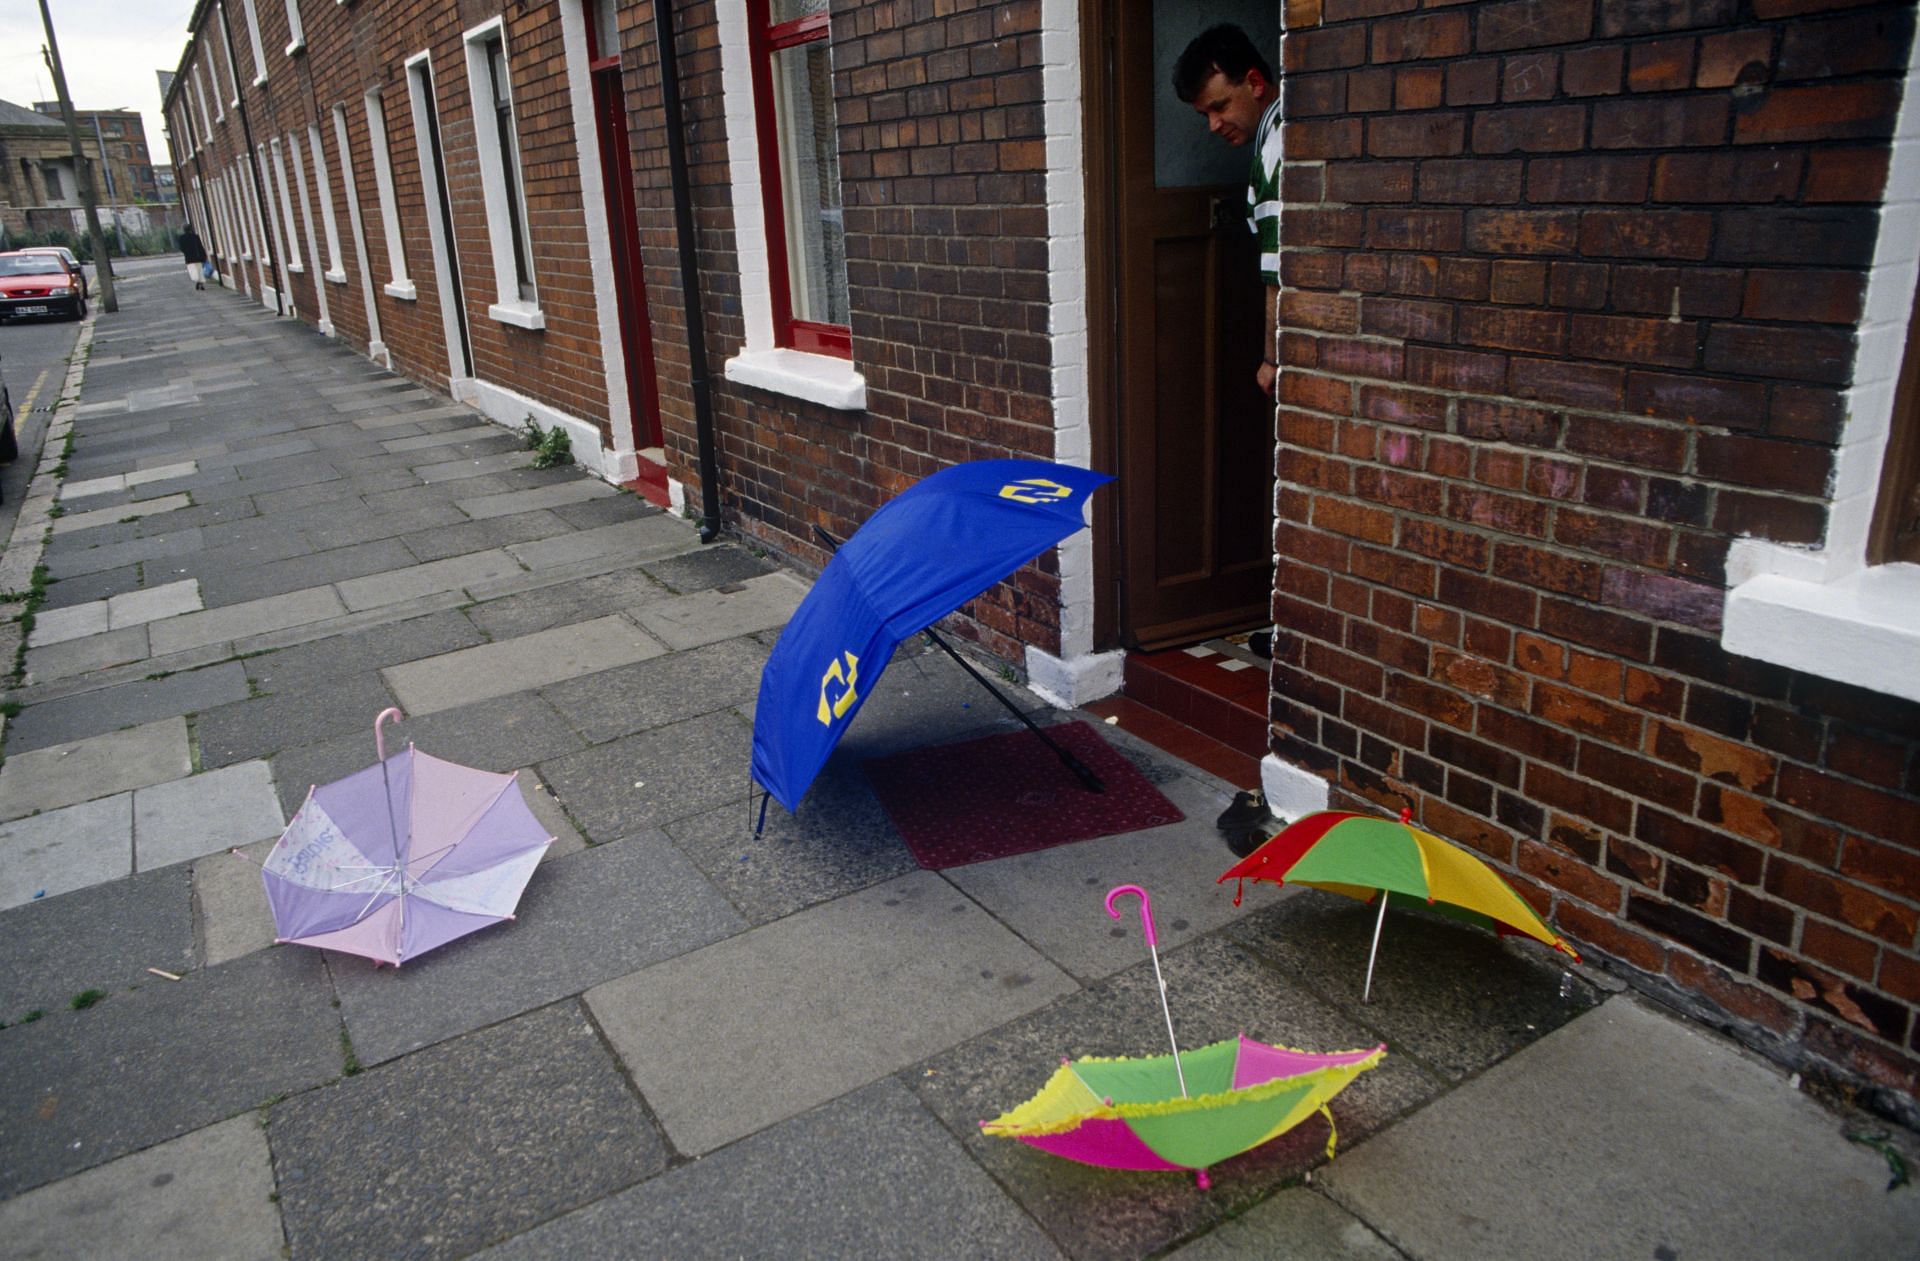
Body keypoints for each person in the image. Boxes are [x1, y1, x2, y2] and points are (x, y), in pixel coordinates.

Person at [1173, 25, 1281, 398]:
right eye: (1205, 114)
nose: (1213, 125)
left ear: (1254, 83)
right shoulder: (1277, 137)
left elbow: (1277, 268)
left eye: (1219, 107)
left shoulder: (1276, 151)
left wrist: (1272, 360)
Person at [178, 223, 208, 291]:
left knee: (193, 271)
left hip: (189, 258)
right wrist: (204, 255)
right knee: (199, 270)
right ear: (191, 229)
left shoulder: (181, 238)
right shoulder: (195, 236)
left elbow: (181, 248)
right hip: (197, 257)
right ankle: (201, 283)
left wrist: (186, 252)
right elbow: (200, 246)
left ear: (184, 230)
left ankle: (197, 280)